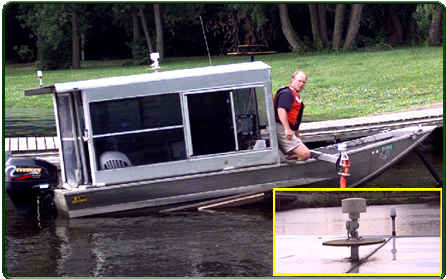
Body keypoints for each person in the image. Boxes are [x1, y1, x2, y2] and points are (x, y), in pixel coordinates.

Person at [274, 71, 311, 161]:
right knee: (305, 154)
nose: (301, 84)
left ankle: (289, 157)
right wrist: (287, 129)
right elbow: (281, 110)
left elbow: (296, 119)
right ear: (292, 79)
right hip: (281, 127)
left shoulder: (296, 96)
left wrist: (297, 134)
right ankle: (286, 161)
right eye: (299, 81)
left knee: (303, 151)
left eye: (303, 82)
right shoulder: (287, 93)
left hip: (289, 129)